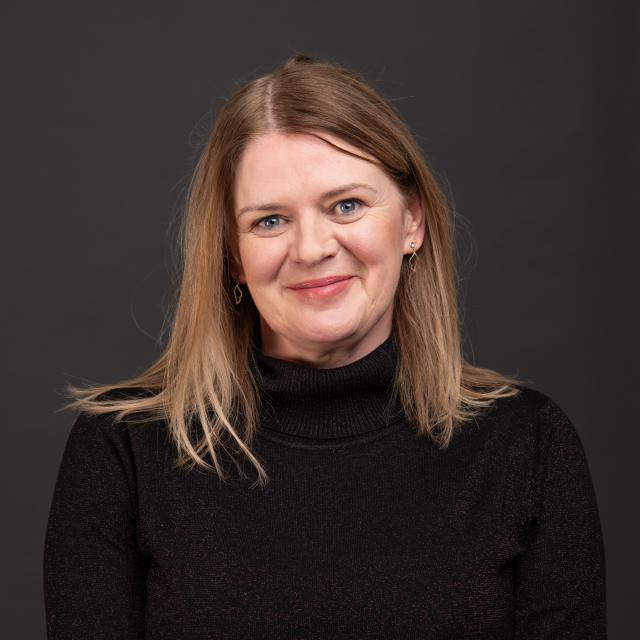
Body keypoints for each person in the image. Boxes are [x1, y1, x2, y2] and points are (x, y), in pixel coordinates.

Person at [43, 54, 606, 639]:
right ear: (232, 256)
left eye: (346, 206)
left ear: (412, 221)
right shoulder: (123, 451)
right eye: (269, 221)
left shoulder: (527, 444)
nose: (312, 249)